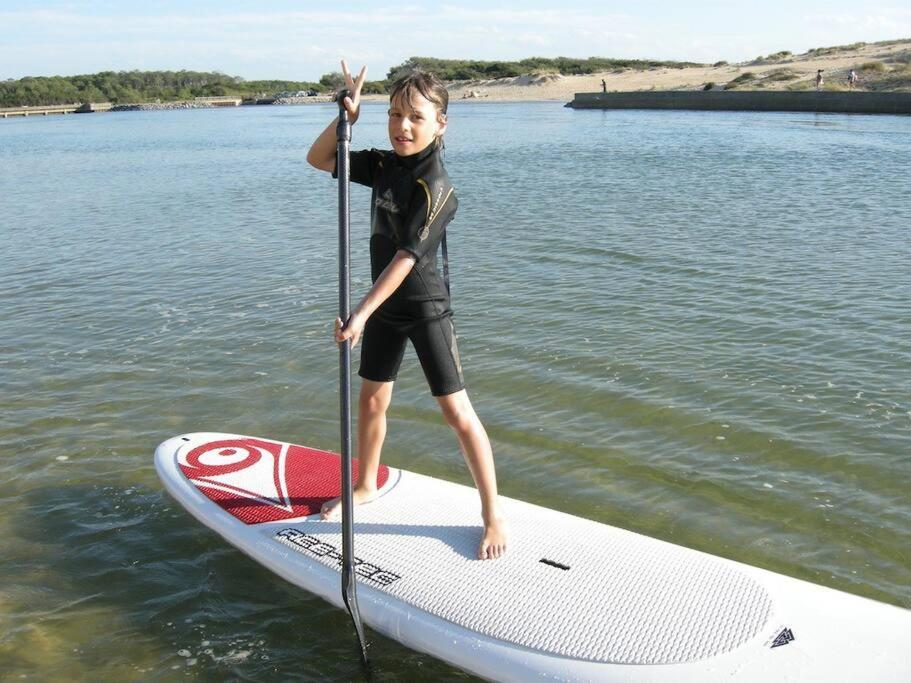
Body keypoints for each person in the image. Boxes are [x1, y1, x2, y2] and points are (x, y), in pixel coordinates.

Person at [306, 61, 508, 560]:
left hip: (424, 308)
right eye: (395, 114)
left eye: (416, 116)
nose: (402, 126)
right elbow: (318, 158)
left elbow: (405, 258)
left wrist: (360, 314)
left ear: (442, 122)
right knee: (372, 400)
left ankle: (493, 516)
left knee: (456, 412)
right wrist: (346, 120)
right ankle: (364, 485)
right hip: (382, 308)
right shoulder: (382, 165)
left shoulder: (437, 188)